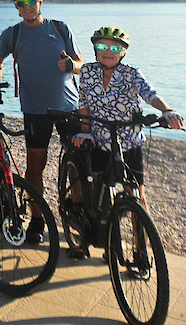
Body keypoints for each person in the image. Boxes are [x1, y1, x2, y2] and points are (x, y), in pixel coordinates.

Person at [0, 0, 82, 243]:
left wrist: (72, 64)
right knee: (35, 165)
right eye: (21, 3)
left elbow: (81, 64)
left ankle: (78, 212)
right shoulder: (11, 34)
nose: (27, 7)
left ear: (41, 2)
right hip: (35, 109)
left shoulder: (60, 28)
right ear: (16, 8)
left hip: (68, 106)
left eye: (32, 2)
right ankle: (37, 221)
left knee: (78, 163)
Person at [71, 27, 183, 205]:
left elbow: (150, 94)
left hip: (130, 142)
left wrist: (167, 111)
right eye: (102, 47)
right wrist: (85, 130)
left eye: (115, 48)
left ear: (122, 52)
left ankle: (141, 231)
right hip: (100, 140)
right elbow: (83, 102)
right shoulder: (87, 71)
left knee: (137, 197)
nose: (108, 52)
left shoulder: (131, 73)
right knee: (96, 193)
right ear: (95, 49)